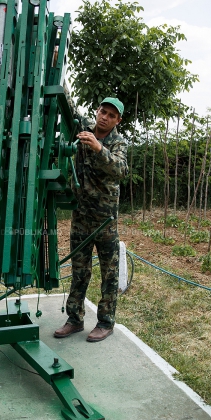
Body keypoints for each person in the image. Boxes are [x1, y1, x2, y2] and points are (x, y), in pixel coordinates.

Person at [54, 97, 128, 342]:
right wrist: (55, 59)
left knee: (109, 275)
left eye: (111, 115)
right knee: (79, 272)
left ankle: (105, 323)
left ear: (118, 120)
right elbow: (68, 103)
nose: (104, 117)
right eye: (102, 111)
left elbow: (120, 170)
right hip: (81, 217)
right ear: (97, 111)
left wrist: (98, 148)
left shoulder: (118, 142)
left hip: (105, 221)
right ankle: (74, 319)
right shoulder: (83, 128)